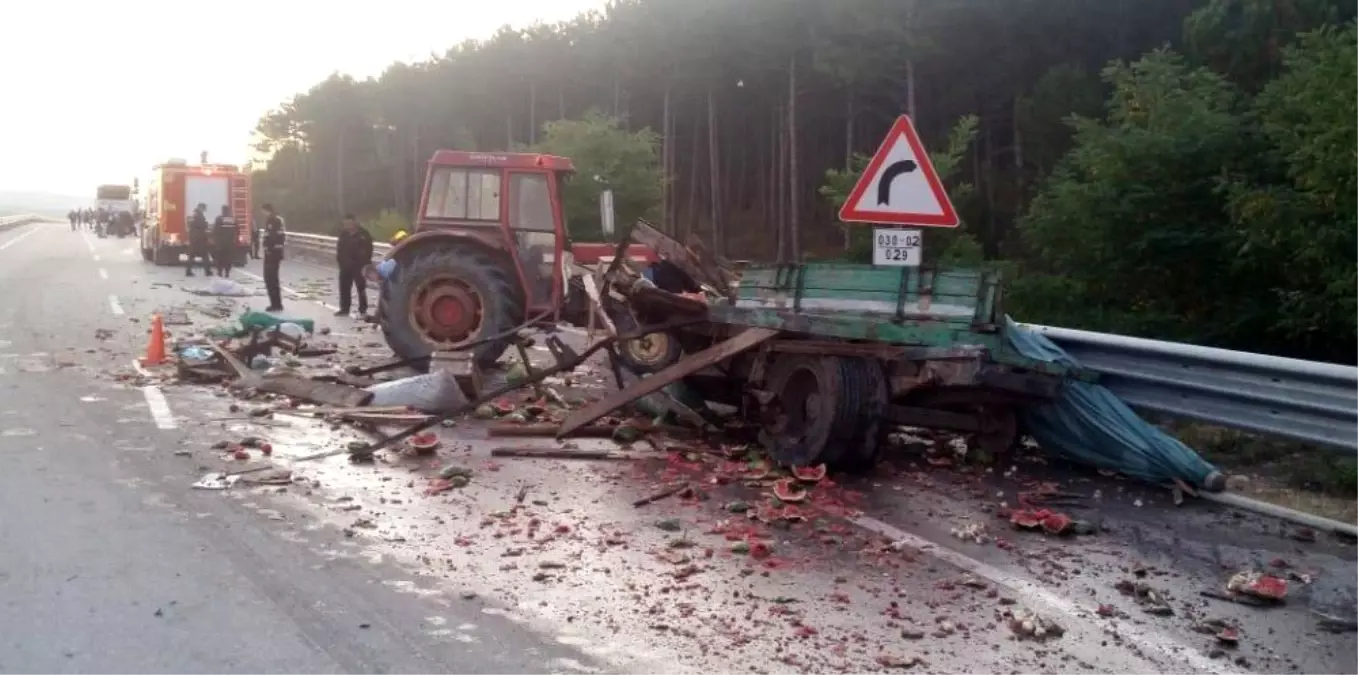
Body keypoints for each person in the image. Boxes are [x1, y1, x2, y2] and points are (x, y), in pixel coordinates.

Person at [335, 214, 374, 317]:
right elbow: (339, 249)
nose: (348, 225)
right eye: (345, 224)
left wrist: (365, 264)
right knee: (344, 288)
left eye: (349, 223)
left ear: (355, 222)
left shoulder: (363, 234)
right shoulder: (343, 234)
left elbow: (369, 250)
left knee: (361, 288)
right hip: (345, 266)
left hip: (359, 266)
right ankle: (344, 309)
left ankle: (363, 310)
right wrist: (341, 262)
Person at [261, 203, 286, 311]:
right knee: (269, 279)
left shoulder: (276, 220)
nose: (262, 213)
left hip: (273, 254)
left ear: (267, 210)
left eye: (263, 211)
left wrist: (271, 250)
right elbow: (267, 237)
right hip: (270, 254)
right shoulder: (270, 220)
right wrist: (266, 248)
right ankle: (274, 303)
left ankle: (276, 304)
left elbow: (279, 237)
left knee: (272, 279)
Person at [185, 203, 213, 277]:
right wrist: (206, 224)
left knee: (191, 256)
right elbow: (202, 225)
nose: (204, 210)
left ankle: (188, 271)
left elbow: (191, 225)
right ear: (201, 208)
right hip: (199, 238)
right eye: (204, 209)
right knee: (205, 255)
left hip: (194, 238)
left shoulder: (194, 214)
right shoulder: (199, 215)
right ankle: (207, 271)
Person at [212, 205, 238, 277]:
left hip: (221, 243)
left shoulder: (219, 218)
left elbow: (215, 230)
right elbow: (237, 230)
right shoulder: (233, 219)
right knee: (228, 258)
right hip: (230, 243)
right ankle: (227, 272)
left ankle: (220, 272)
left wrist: (214, 240)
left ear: (222, 210)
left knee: (220, 258)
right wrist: (235, 239)